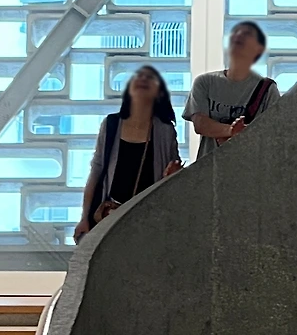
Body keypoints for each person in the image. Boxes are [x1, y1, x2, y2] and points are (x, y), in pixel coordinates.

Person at [75, 64, 182, 242]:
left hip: (148, 219)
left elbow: (174, 177)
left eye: (150, 78)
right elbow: (96, 171)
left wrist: (174, 174)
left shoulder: (165, 130)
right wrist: (84, 217)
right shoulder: (111, 124)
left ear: (159, 93)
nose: (143, 79)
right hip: (110, 216)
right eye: (138, 76)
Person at [185, 20, 280, 153]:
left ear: (259, 48)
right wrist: (231, 131)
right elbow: (200, 124)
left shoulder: (267, 90)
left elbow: (272, 133)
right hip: (210, 165)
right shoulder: (204, 82)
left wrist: (229, 134)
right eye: (235, 32)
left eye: (247, 33)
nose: (238, 35)